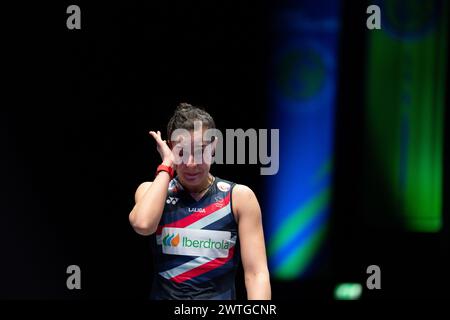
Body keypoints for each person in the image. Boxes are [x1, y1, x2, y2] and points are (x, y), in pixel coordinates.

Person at [129, 103, 271, 300]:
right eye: (182, 151)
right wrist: (167, 164)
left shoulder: (239, 198)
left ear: (214, 147)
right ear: (170, 148)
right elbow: (143, 225)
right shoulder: (150, 191)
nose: (191, 164)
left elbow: (256, 274)